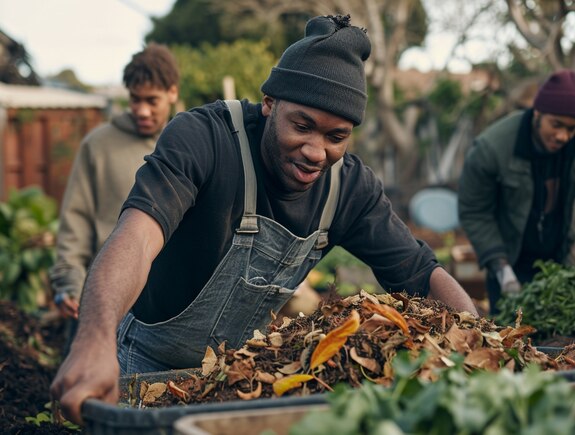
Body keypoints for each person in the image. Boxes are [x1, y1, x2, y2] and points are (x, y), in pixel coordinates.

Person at [51, 15, 478, 424]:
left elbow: (421, 273)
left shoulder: (349, 189)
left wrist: (479, 345)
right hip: (141, 365)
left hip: (232, 378)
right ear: (269, 103)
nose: (316, 151)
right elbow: (139, 236)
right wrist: (95, 338)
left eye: (336, 137)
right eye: (303, 126)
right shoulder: (205, 139)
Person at [458, 69, 575, 314]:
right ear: (538, 112)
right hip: (508, 263)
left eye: (572, 128)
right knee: (507, 341)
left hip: (561, 268)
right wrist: (500, 266)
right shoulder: (492, 147)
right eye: (556, 124)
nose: (562, 136)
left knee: (565, 345)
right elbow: (474, 211)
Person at [48, 43, 180, 352]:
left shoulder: (188, 147)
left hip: (167, 310)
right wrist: (69, 279)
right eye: (135, 99)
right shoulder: (98, 145)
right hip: (106, 298)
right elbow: (76, 218)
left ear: (172, 93)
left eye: (152, 100)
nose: (142, 110)